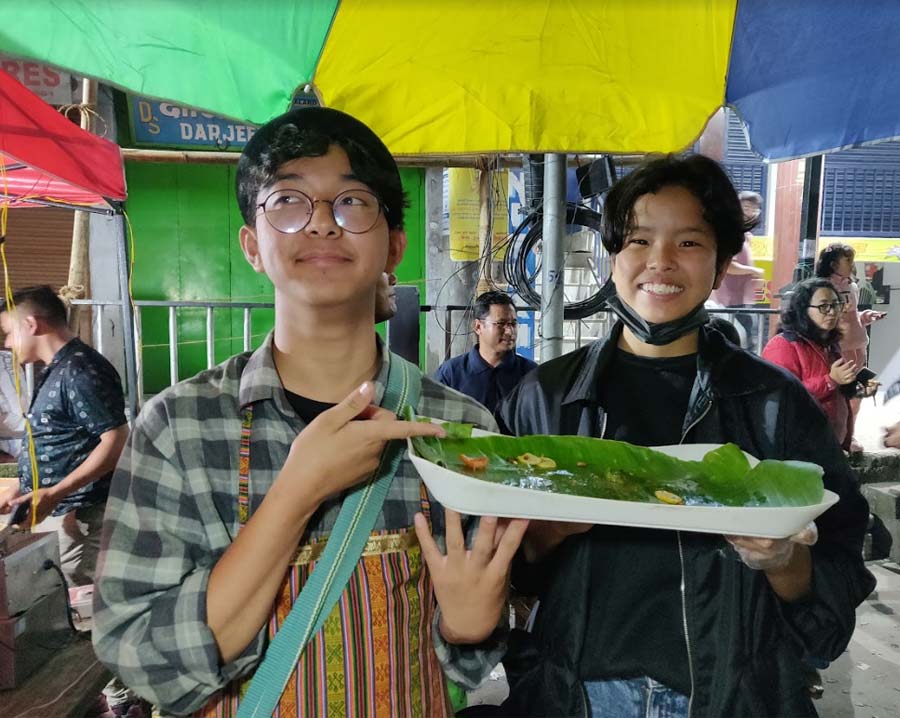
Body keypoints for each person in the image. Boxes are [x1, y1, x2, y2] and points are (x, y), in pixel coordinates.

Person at [92, 107, 527, 717]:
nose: (322, 224)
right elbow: (140, 655)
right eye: (289, 202)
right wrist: (297, 491)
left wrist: (469, 631)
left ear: (393, 244)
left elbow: (474, 658)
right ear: (252, 244)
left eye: (352, 202)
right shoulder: (179, 428)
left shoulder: (462, 429)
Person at [495, 155, 875, 717]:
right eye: (639, 240)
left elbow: (841, 568)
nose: (660, 262)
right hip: (576, 693)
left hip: (733, 696)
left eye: (689, 243)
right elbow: (503, 572)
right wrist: (547, 531)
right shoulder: (545, 398)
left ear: (721, 264)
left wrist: (782, 561)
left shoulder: (774, 404)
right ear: (613, 256)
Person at [0, 285, 128, 586]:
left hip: (87, 510)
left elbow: (116, 440)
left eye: (8, 332)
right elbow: (64, 442)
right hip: (68, 507)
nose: (7, 343)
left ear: (31, 325)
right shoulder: (60, 367)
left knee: (82, 588)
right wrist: (21, 485)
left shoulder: (79, 370)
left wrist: (55, 493)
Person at [761, 278, 857, 450]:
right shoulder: (782, 345)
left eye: (836, 305)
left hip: (829, 441)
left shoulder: (829, 343)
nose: (832, 312)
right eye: (823, 306)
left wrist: (855, 384)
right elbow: (782, 397)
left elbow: (836, 393)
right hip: (798, 446)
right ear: (803, 310)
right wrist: (830, 380)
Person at [815, 243, 886, 451]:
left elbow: (853, 317)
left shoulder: (852, 286)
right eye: (848, 260)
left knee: (858, 396)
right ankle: (836, 438)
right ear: (833, 263)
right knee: (841, 396)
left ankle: (849, 436)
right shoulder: (824, 287)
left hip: (858, 347)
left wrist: (866, 317)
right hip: (839, 349)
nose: (851, 265)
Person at [434, 290, 536, 413]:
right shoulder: (451, 374)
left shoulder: (531, 374)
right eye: (501, 323)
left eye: (513, 323)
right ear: (478, 327)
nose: (509, 331)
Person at [710, 190, 765, 349]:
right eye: (746, 208)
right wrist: (755, 271)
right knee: (739, 342)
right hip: (729, 302)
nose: (750, 213)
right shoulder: (731, 235)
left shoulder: (745, 236)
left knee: (747, 340)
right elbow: (729, 266)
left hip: (742, 300)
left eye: (754, 209)